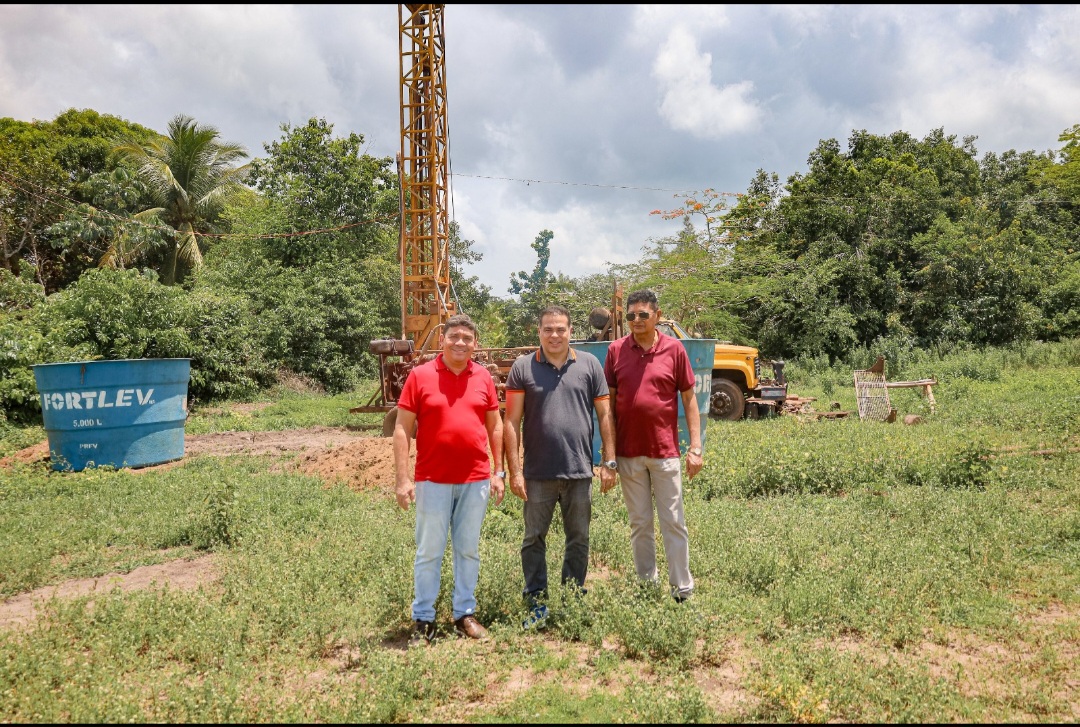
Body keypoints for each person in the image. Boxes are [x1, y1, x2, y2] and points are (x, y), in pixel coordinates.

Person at [393, 314, 505, 645]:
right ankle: (424, 620)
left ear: (475, 344)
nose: (460, 343)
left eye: (467, 338)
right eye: (454, 336)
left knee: (467, 549)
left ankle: (464, 614)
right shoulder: (420, 376)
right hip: (432, 480)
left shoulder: (483, 377)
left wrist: (499, 471)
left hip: (475, 480)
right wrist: (402, 479)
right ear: (443, 339)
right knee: (429, 550)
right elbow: (402, 428)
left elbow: (495, 425)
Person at [504, 305, 616, 628]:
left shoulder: (590, 365)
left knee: (579, 537)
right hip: (538, 474)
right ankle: (536, 602)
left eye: (561, 329)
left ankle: (571, 598)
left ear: (570, 331)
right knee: (533, 538)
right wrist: (515, 470)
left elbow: (605, 415)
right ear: (538, 331)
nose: (555, 335)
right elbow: (511, 421)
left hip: (580, 472)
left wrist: (609, 461)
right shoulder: (523, 368)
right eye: (548, 329)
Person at [603, 289, 703, 602]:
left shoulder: (674, 350)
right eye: (630, 316)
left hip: (665, 452)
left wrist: (696, 447)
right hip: (629, 454)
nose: (636, 321)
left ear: (657, 316)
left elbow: (689, 399)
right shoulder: (616, 351)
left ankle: (681, 588)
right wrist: (608, 455)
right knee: (640, 523)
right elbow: (608, 405)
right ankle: (647, 587)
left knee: (673, 521)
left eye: (643, 315)